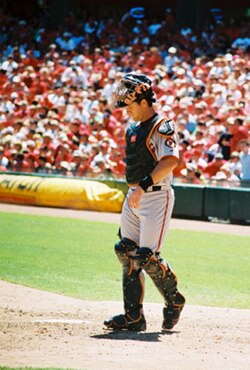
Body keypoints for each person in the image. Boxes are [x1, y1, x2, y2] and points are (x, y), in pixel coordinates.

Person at [104, 73, 185, 332]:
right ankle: (133, 317)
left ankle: (174, 301)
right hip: (134, 196)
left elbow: (171, 161)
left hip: (155, 195)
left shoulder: (162, 124)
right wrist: (136, 189)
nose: (126, 109)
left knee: (146, 257)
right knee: (126, 250)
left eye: (129, 104)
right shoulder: (133, 129)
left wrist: (143, 186)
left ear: (141, 99)